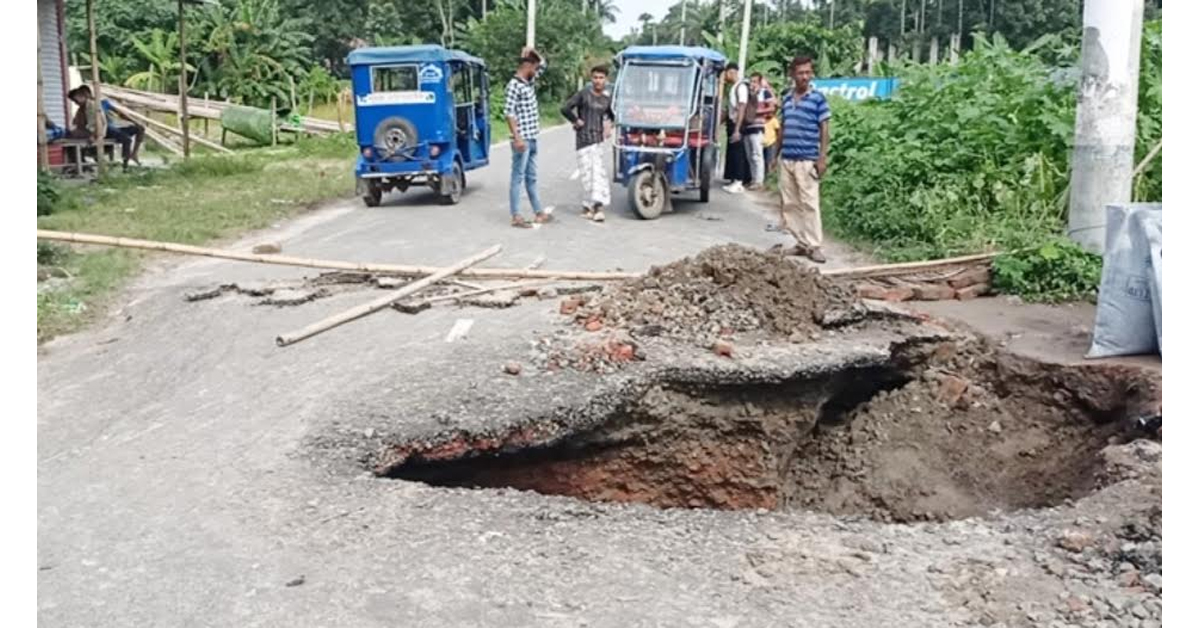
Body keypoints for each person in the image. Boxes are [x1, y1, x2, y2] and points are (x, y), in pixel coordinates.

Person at [773, 56, 832, 264]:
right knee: (790, 203)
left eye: (808, 72)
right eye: (801, 73)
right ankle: (801, 243)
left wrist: (821, 157)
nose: (805, 76)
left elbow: (824, 128)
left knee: (810, 203)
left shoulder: (817, 99)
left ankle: (814, 245)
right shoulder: (787, 99)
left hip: (807, 159)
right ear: (792, 75)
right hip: (787, 158)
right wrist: (775, 155)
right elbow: (784, 128)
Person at [504, 47, 552, 228]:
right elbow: (509, 114)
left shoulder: (528, 82)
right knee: (517, 177)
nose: (537, 71)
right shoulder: (514, 85)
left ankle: (539, 212)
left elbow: (544, 65)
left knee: (531, 177)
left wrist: (534, 51)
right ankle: (516, 215)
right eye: (535, 67)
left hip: (532, 137)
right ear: (528, 66)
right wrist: (517, 139)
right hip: (522, 139)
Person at [560, 65, 615, 222]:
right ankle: (587, 207)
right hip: (583, 140)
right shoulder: (584, 94)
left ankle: (597, 207)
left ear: (606, 79)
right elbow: (565, 108)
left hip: (597, 140)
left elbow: (612, 115)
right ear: (591, 79)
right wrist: (575, 120)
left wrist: (609, 126)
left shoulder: (607, 98)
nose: (598, 81)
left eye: (601, 78)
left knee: (597, 174)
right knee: (586, 175)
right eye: (595, 77)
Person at [68, 85, 144, 167]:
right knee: (126, 139)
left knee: (140, 128)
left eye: (84, 94)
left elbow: (120, 114)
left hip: (113, 127)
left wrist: (134, 121)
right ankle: (125, 164)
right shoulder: (83, 109)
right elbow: (81, 124)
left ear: (87, 94)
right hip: (106, 130)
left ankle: (134, 154)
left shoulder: (102, 103)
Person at [720, 63, 751, 193]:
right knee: (733, 151)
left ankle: (739, 181)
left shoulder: (741, 87)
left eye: (726, 74)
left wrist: (737, 128)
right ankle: (734, 179)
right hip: (732, 122)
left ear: (731, 72)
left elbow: (742, 107)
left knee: (738, 152)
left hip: (738, 123)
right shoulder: (733, 87)